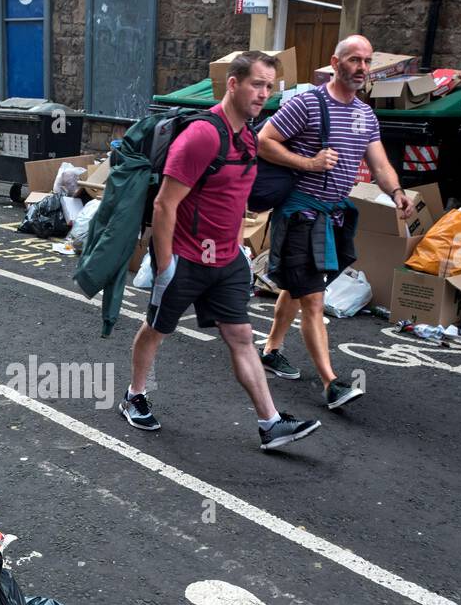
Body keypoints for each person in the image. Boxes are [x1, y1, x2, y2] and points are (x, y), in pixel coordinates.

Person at [120, 51, 322, 451]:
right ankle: (134, 395)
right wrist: (165, 265)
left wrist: (240, 248)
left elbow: (233, 199)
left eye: (269, 86)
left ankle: (271, 423)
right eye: (256, 84)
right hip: (186, 259)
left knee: (242, 337)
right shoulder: (201, 136)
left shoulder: (248, 136)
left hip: (227, 261)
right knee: (158, 329)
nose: (263, 93)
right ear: (233, 84)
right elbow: (165, 204)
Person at [257, 34, 416, 410]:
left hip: (331, 215)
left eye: (367, 61)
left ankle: (270, 349)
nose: (361, 68)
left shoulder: (365, 114)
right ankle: (331, 383)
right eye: (354, 60)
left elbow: (379, 164)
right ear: (335, 61)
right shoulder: (308, 103)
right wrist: (308, 163)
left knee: (299, 287)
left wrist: (396, 192)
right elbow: (264, 141)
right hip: (300, 213)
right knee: (313, 298)